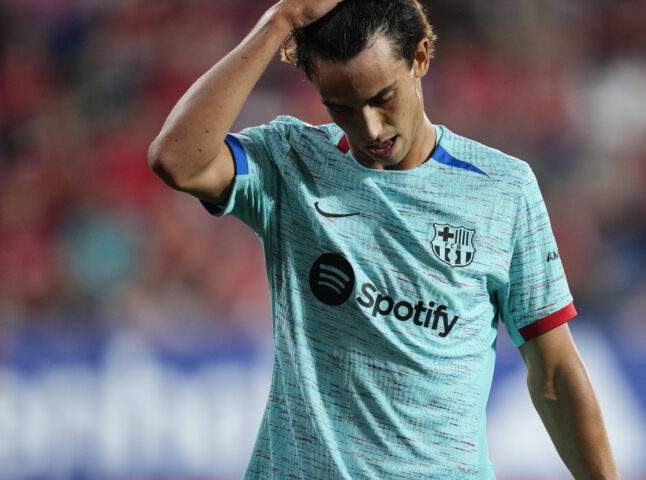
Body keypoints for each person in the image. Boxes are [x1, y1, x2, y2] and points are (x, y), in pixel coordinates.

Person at [148, 0, 620, 478]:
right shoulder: (288, 162)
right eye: (342, 108)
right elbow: (177, 161)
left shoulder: (502, 188)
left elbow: (554, 372)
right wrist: (278, 22)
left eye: (383, 97)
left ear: (420, 57)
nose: (370, 127)